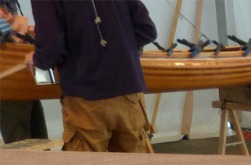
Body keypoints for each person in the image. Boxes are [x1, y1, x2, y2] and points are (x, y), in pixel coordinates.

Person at [26, 0, 157, 152]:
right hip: (128, 92)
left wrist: (37, 58)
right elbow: (147, 30)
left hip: (86, 99)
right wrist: (119, 48)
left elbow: (52, 49)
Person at [0, 0, 49, 144]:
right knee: (21, 147)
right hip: (9, 84)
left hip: (25, 81)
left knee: (40, 142)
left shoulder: (8, 8)